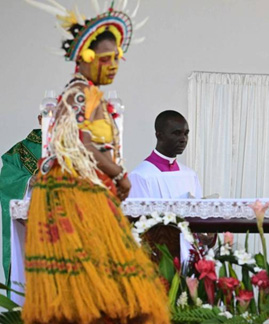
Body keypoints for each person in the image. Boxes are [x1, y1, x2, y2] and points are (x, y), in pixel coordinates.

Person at [22, 2, 169, 323]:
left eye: (117, 59)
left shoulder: (90, 95)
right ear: (86, 58)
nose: (114, 66)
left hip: (91, 193)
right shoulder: (77, 94)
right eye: (106, 59)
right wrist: (120, 175)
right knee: (89, 278)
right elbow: (79, 143)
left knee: (100, 278)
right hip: (74, 196)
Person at [0, 121, 41, 286]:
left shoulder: (78, 147)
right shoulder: (23, 150)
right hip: (31, 229)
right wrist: (29, 181)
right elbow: (6, 181)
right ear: (40, 118)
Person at [128, 110, 202, 199]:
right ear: (159, 135)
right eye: (177, 133)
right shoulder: (140, 175)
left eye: (186, 134)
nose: (183, 139)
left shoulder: (190, 175)